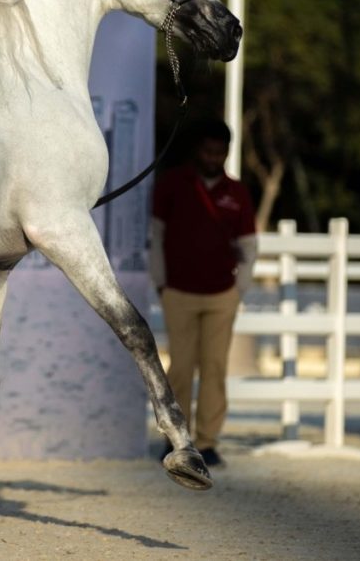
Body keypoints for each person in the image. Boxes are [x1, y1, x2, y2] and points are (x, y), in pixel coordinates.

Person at [149, 118, 257, 468]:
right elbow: (157, 237)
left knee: (214, 368)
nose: (214, 157)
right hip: (178, 291)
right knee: (180, 367)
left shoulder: (236, 192)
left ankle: (208, 442)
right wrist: (162, 283)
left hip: (221, 294)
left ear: (227, 151)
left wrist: (238, 290)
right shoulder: (172, 184)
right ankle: (177, 438)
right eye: (209, 150)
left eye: (220, 151)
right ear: (198, 149)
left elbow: (249, 246)